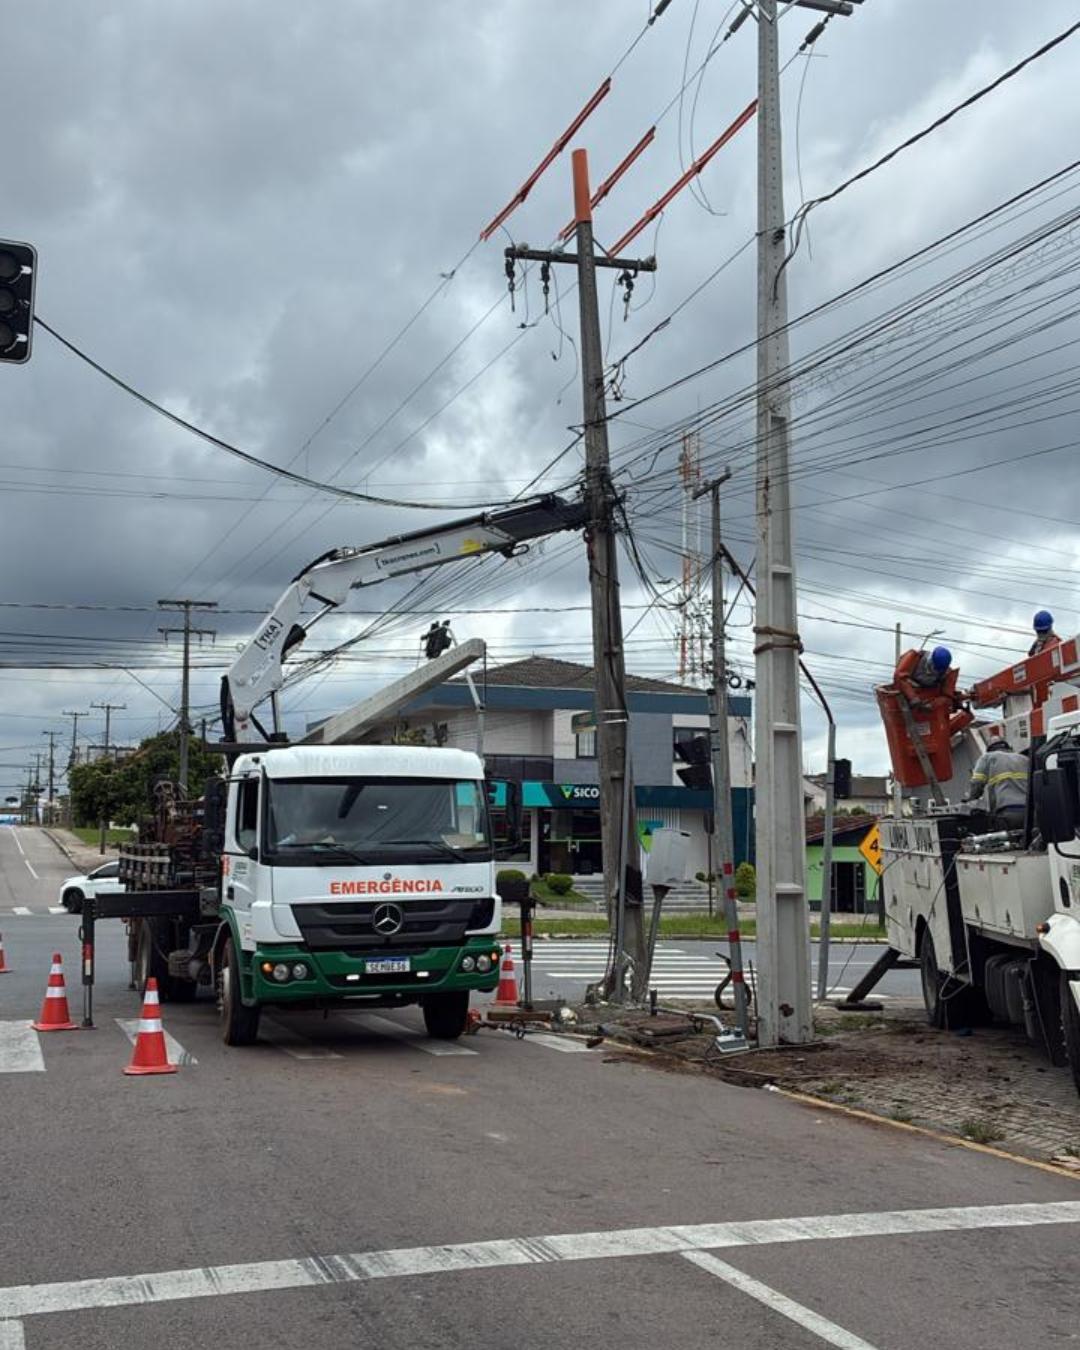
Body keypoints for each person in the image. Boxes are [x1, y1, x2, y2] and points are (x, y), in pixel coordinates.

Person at [963, 737, 1029, 832]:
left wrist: (970, 800)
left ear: (989, 749)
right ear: (1009, 747)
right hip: (1030, 813)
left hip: (1006, 812)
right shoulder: (1025, 759)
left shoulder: (988, 757)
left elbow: (977, 784)